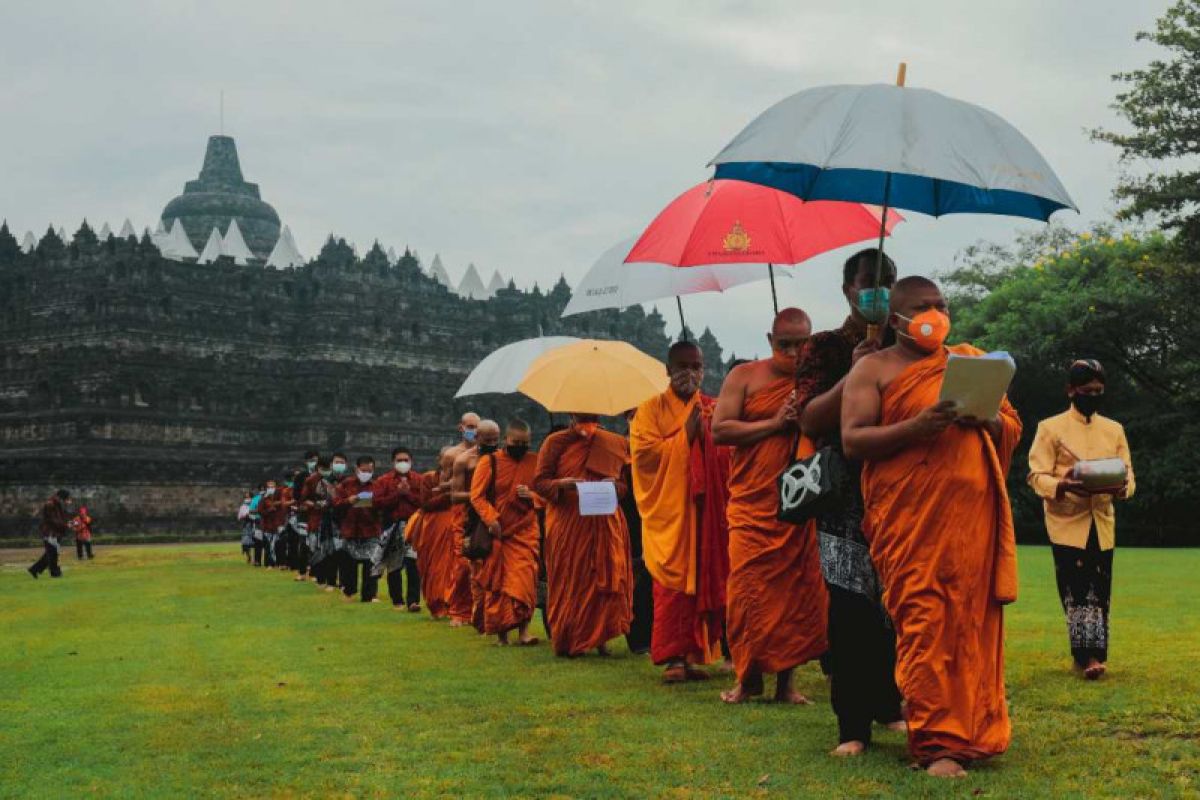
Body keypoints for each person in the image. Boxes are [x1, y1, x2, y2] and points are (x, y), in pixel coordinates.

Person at [842, 276, 1022, 778]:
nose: (936, 314)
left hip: (972, 523)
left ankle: (974, 730)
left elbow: (1010, 426)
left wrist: (985, 419)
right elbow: (853, 440)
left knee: (971, 625)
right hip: (910, 525)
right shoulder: (871, 369)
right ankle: (938, 745)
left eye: (942, 305)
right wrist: (916, 428)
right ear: (897, 316)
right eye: (924, 306)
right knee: (924, 621)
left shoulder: (970, 360)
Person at [798, 249, 905, 755]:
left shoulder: (908, 342)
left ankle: (892, 703)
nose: (878, 291)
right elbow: (809, 421)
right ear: (848, 289)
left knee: (898, 603)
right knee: (849, 602)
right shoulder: (826, 346)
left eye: (888, 282)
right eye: (869, 282)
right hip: (843, 491)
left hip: (902, 485)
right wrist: (854, 375)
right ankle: (853, 725)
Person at [712, 307, 829, 704]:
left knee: (796, 590)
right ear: (769, 340)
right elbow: (720, 430)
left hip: (798, 500)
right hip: (752, 503)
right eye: (785, 345)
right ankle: (746, 678)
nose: (794, 353)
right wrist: (775, 423)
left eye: (802, 345)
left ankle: (786, 684)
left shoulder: (817, 380)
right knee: (748, 589)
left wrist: (808, 416)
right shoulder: (743, 377)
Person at [1028, 358, 1135, 680]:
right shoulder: (1050, 428)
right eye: (1087, 391)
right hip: (1066, 523)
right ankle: (1085, 656)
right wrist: (1061, 484)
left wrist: (1122, 489)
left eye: (1099, 391)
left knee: (1100, 591)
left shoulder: (1114, 429)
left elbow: (1128, 475)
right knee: (1076, 590)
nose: (1093, 396)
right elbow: (1036, 475)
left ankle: (1095, 656)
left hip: (1101, 522)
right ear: (1071, 391)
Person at [630, 341, 731, 683]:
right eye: (683, 366)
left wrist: (708, 438)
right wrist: (685, 438)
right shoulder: (650, 410)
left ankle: (692, 654)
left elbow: (727, 454)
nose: (691, 373)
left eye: (697, 366)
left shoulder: (712, 408)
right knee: (672, 586)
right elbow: (643, 457)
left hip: (705, 514)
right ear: (668, 371)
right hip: (671, 514)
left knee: (702, 581)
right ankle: (674, 657)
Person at [533, 413, 633, 657]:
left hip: (603, 521)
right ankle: (569, 638)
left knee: (604, 575)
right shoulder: (555, 442)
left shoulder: (614, 442)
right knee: (570, 578)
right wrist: (562, 484)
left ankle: (600, 638)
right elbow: (540, 482)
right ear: (571, 412)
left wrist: (613, 486)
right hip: (568, 522)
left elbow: (625, 487)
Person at [471, 419, 542, 646]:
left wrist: (531, 496)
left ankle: (524, 631)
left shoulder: (536, 461)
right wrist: (491, 519)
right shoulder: (489, 462)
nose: (520, 446)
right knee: (499, 583)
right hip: (499, 531)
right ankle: (502, 633)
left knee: (525, 580)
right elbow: (477, 496)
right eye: (516, 442)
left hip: (525, 529)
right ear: (506, 441)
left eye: (525, 442)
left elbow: (547, 496)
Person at [448, 420, 502, 630]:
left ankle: (493, 617)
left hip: (498, 517)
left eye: (495, 440)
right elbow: (454, 495)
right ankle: (471, 614)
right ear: (477, 438)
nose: (492, 444)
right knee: (471, 568)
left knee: (496, 568)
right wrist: (479, 495)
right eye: (487, 440)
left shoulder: (502, 458)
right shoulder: (463, 460)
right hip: (473, 519)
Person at [333, 456, 396, 602]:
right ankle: (349, 592)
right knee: (349, 564)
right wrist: (348, 501)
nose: (366, 473)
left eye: (370, 470)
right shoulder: (346, 485)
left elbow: (384, 504)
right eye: (363, 470)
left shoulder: (377, 485)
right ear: (357, 469)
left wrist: (373, 502)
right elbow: (335, 503)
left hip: (371, 529)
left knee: (371, 563)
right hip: (350, 529)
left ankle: (369, 595)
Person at [373, 446, 423, 612]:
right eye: (399, 460)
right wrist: (398, 494)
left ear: (411, 461)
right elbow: (377, 503)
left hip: (413, 526)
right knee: (394, 564)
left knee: (413, 563)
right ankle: (397, 600)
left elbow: (424, 501)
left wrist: (407, 494)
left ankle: (413, 600)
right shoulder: (384, 481)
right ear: (393, 462)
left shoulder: (418, 480)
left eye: (405, 460)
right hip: (391, 526)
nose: (403, 463)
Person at [620, 411, 653, 656]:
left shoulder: (653, 444)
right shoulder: (620, 449)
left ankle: (651, 634)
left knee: (652, 578)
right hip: (629, 519)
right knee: (634, 577)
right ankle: (637, 637)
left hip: (653, 516)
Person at [412, 448, 458, 618]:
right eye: (447, 462)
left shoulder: (463, 478)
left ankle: (453, 603)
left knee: (454, 566)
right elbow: (425, 504)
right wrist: (448, 494)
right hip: (433, 527)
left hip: (456, 524)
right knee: (434, 568)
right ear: (440, 460)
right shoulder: (429, 478)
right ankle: (436, 604)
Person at [29, 489, 71, 579]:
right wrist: (65, 525)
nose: (67, 501)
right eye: (66, 499)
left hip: (54, 531)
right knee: (52, 553)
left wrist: (67, 523)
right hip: (50, 532)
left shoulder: (56, 503)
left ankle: (35, 569)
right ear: (61, 497)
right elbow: (52, 520)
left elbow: (60, 517)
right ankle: (54, 572)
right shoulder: (51, 504)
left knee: (51, 553)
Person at [237, 491, 255, 562]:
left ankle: (256, 557)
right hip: (246, 524)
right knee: (245, 542)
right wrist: (244, 516)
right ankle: (248, 556)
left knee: (256, 541)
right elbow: (239, 516)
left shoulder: (254, 504)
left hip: (254, 523)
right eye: (246, 497)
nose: (247, 498)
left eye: (249, 496)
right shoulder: (243, 506)